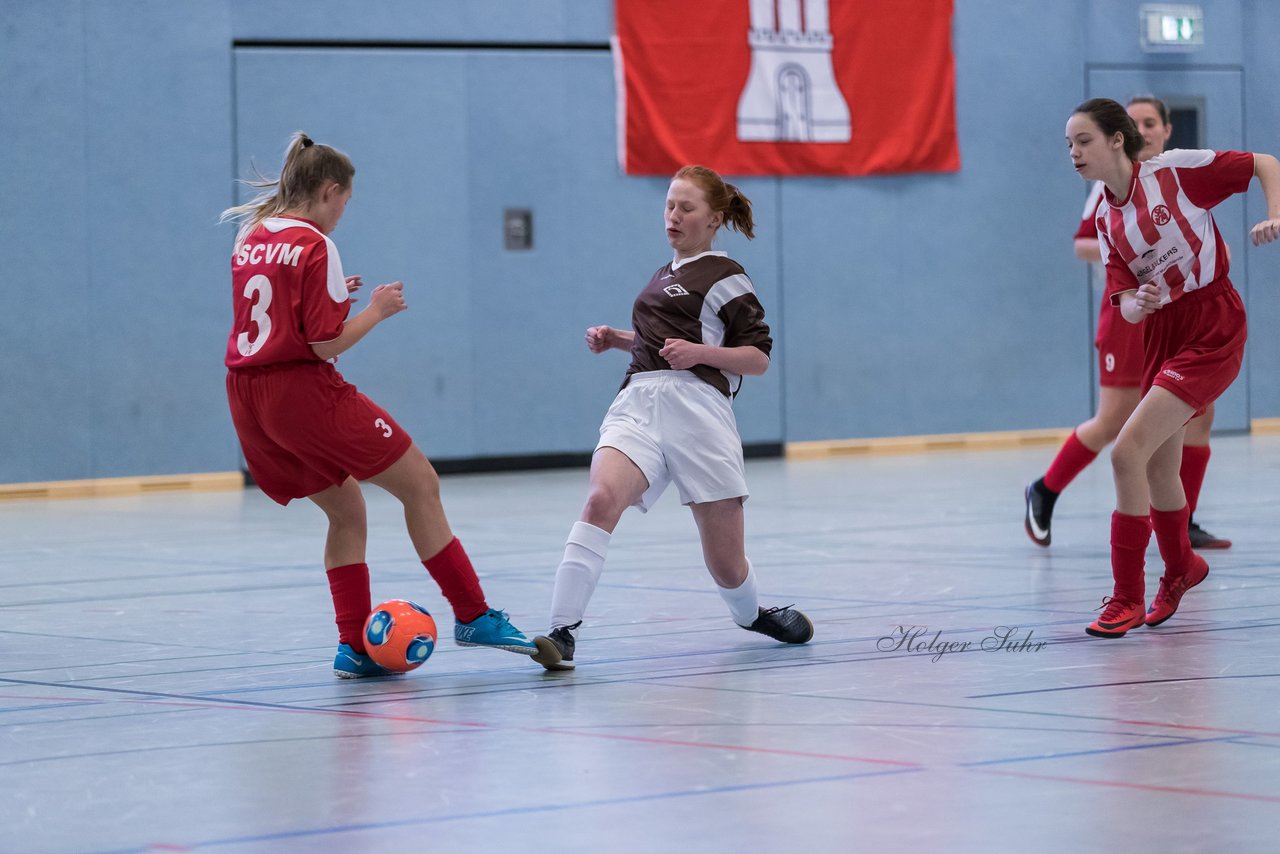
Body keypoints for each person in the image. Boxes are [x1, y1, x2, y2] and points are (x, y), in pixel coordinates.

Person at [220, 132, 539, 677]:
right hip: (301, 391)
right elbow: (326, 344)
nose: (344, 212)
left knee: (347, 510)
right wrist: (376, 310)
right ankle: (473, 614)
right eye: (346, 200)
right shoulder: (315, 242)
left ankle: (352, 646)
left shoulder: (253, 233)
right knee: (420, 484)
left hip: (248, 395)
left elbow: (275, 308)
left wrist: (329, 294)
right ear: (329, 190)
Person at [529, 165, 814, 671]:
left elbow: (758, 358)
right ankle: (561, 631)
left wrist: (702, 354)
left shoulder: (726, 275)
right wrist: (617, 339)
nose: (673, 216)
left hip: (699, 412)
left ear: (713, 219)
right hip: (638, 402)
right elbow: (661, 343)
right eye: (669, 205)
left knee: (726, 563)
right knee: (600, 499)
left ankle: (751, 615)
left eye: (686, 208)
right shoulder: (662, 274)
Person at [1062, 99, 1280, 637]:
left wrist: (1275, 213)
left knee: (1126, 452)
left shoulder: (1175, 171)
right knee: (1158, 465)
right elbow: (1126, 304)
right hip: (1163, 332)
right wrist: (1144, 302)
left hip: (1213, 323)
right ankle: (1182, 567)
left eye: (1083, 141)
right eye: (1068, 144)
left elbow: (1264, 162)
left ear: (1117, 138)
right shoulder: (1108, 221)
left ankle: (1126, 597)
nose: (1073, 153)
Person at [1026, 96, 1230, 551]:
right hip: (1129, 314)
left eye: (1150, 122)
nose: (1143, 129)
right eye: (1135, 122)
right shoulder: (1107, 187)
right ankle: (1045, 488)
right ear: (1121, 135)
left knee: (1200, 412)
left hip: (1182, 311)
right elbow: (1083, 245)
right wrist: (1140, 261)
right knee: (1116, 420)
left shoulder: (1175, 174)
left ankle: (1184, 520)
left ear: (1166, 130)